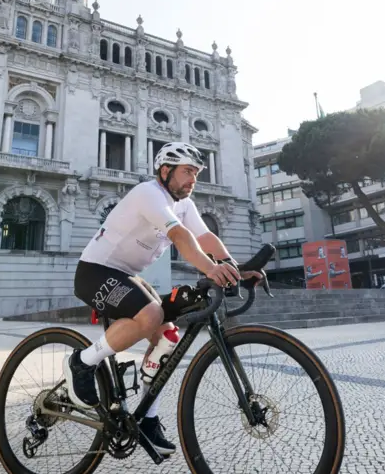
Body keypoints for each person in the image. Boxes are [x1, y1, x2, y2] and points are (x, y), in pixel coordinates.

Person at [66, 142, 259, 456]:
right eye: (187, 171)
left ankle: (148, 418)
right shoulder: (148, 193)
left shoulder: (183, 203)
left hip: (127, 274)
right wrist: (211, 268)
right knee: (151, 315)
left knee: (167, 335)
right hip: (95, 271)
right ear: (165, 170)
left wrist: (237, 268)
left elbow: (206, 237)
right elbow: (181, 237)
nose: (192, 179)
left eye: (195, 173)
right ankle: (81, 362)